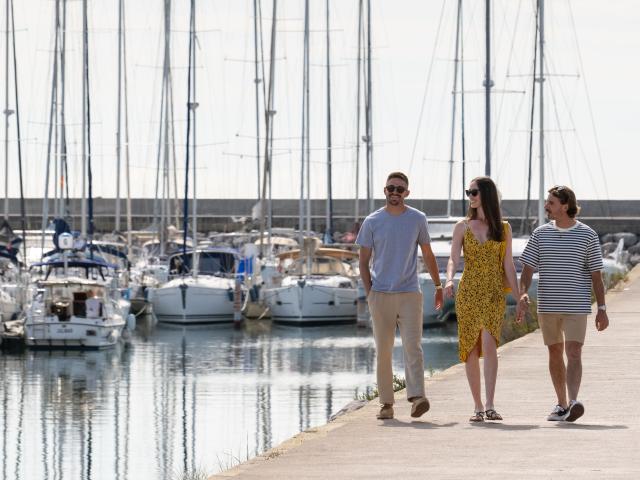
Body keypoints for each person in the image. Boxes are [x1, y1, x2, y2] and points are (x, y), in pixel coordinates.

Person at [516, 185, 608, 422]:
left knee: (574, 351)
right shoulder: (540, 234)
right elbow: (527, 269)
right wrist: (522, 294)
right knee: (555, 352)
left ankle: (574, 401)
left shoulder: (588, 235)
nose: (546, 206)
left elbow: (597, 276)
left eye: (551, 203)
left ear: (565, 206)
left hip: (576, 305)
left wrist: (602, 309)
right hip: (548, 306)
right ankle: (562, 404)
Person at [357, 171, 443, 420]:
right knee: (383, 350)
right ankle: (386, 403)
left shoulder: (418, 219)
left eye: (400, 189)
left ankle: (417, 397)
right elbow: (363, 262)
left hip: (409, 293)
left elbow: (427, 254)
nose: (395, 193)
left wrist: (438, 286)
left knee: (413, 347)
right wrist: (369, 292)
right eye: (391, 188)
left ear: (407, 192)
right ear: (385, 190)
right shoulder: (372, 221)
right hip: (380, 294)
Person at [444, 176, 519, 422]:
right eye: (468, 192)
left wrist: (519, 298)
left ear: (485, 194)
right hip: (468, 292)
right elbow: (453, 257)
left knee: (489, 345)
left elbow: (508, 265)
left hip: (494, 292)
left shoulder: (503, 227)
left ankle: (490, 404)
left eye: (474, 192)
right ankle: (477, 405)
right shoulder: (462, 226)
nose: (470, 196)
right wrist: (449, 279)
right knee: (471, 348)